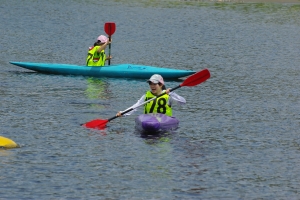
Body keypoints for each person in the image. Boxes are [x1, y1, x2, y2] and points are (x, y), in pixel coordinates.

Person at [116, 74, 186, 117]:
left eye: (154, 84)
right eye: (150, 84)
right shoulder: (146, 96)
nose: (152, 86)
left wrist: (172, 93)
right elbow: (135, 107)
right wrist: (123, 113)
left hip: (164, 122)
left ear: (161, 85)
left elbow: (183, 103)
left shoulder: (168, 96)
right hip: (148, 121)